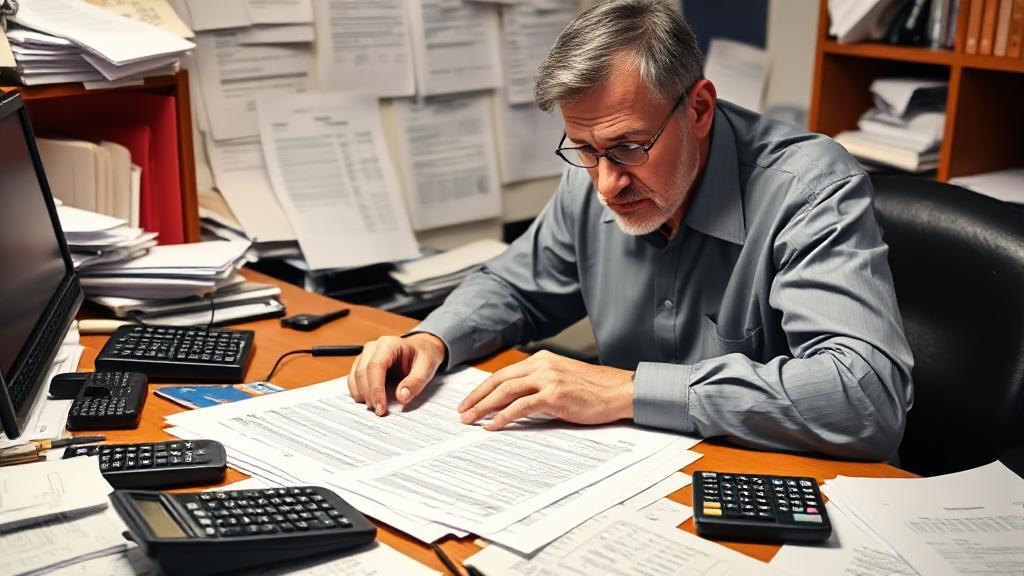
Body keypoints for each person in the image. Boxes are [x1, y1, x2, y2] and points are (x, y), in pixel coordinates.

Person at [347, 0, 914, 460]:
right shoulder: (595, 173)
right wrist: (432, 339)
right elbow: (516, 287)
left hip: (761, 484)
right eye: (586, 151)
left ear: (698, 108)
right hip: (628, 470)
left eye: (628, 147)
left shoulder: (810, 188)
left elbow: (865, 396)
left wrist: (625, 391)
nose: (606, 184)